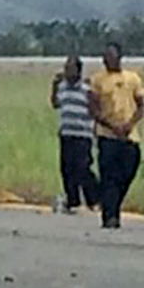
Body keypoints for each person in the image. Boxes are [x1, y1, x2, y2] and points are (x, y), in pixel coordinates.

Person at [88, 44, 144, 228]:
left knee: (127, 173)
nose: (107, 60)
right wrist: (111, 126)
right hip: (108, 136)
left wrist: (130, 124)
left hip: (129, 136)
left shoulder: (133, 78)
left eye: (111, 56)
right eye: (105, 56)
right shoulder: (97, 80)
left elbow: (141, 106)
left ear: (120, 57)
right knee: (109, 177)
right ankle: (110, 216)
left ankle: (113, 205)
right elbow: (93, 108)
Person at [48, 55, 97, 214]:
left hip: (82, 134)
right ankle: (73, 199)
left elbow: (93, 110)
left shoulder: (86, 89)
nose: (67, 71)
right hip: (67, 133)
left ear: (78, 70)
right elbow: (55, 103)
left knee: (83, 167)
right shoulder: (62, 87)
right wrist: (54, 87)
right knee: (67, 168)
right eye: (66, 68)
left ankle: (94, 198)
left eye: (70, 68)